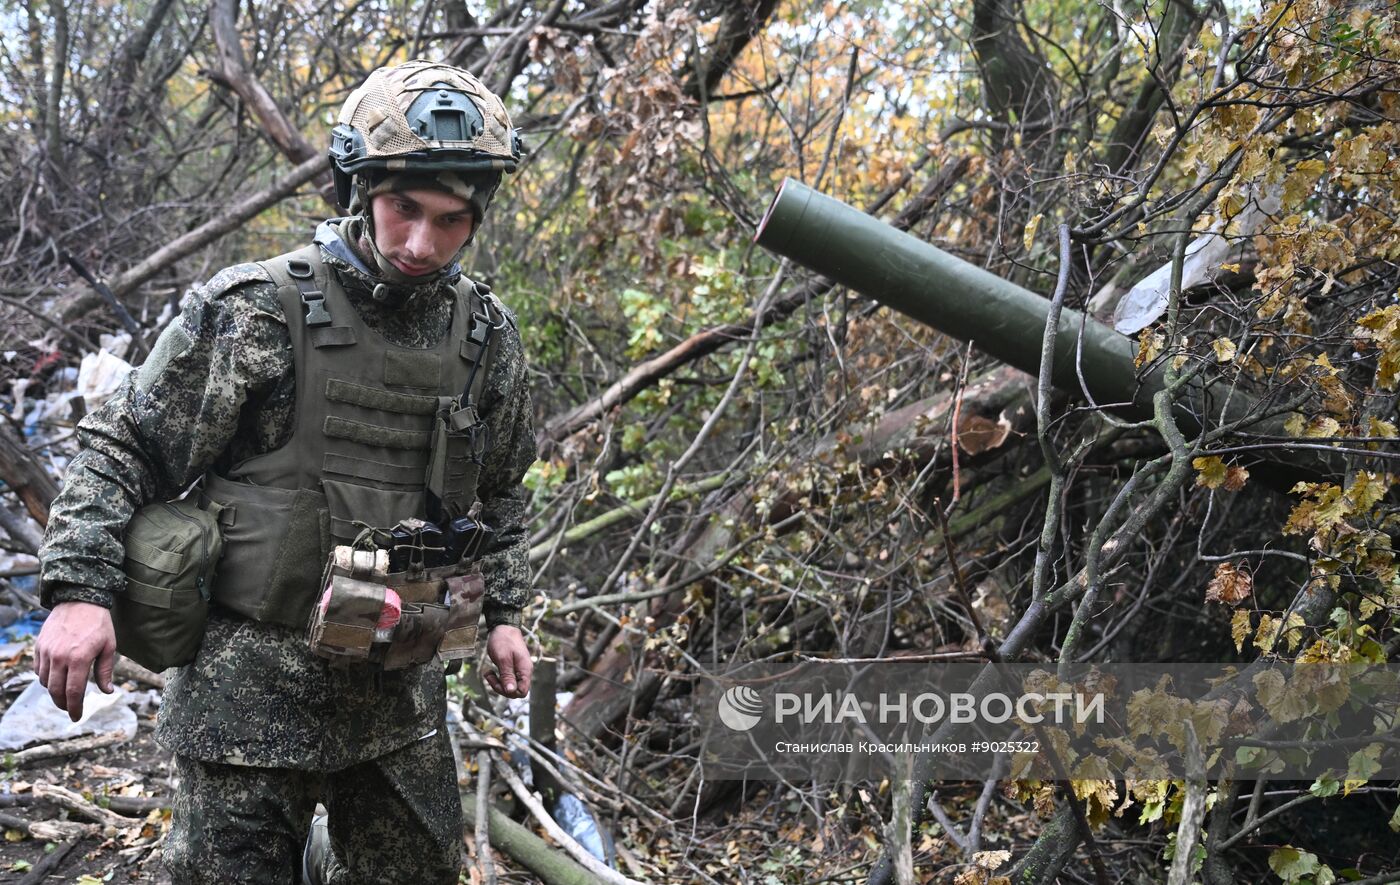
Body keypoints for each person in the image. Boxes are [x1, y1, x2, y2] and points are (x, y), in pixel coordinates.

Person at [34, 60, 536, 884]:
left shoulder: (486, 339)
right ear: (359, 188)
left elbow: (504, 490)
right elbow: (123, 444)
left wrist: (507, 615)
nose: (423, 243)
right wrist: (79, 591)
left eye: (452, 220)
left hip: (398, 692)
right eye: (405, 209)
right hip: (246, 691)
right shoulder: (257, 310)